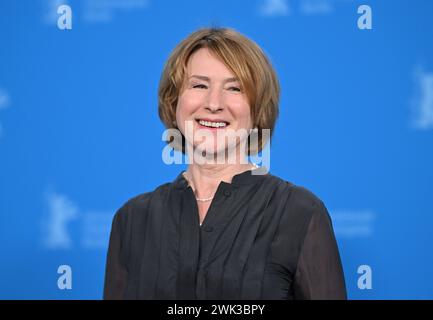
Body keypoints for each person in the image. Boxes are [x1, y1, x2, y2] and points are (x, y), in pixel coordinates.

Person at [103, 27, 347, 300]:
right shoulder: (132, 219)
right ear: (174, 102)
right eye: (199, 85)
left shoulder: (300, 213)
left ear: (257, 109)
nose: (214, 103)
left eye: (234, 88)